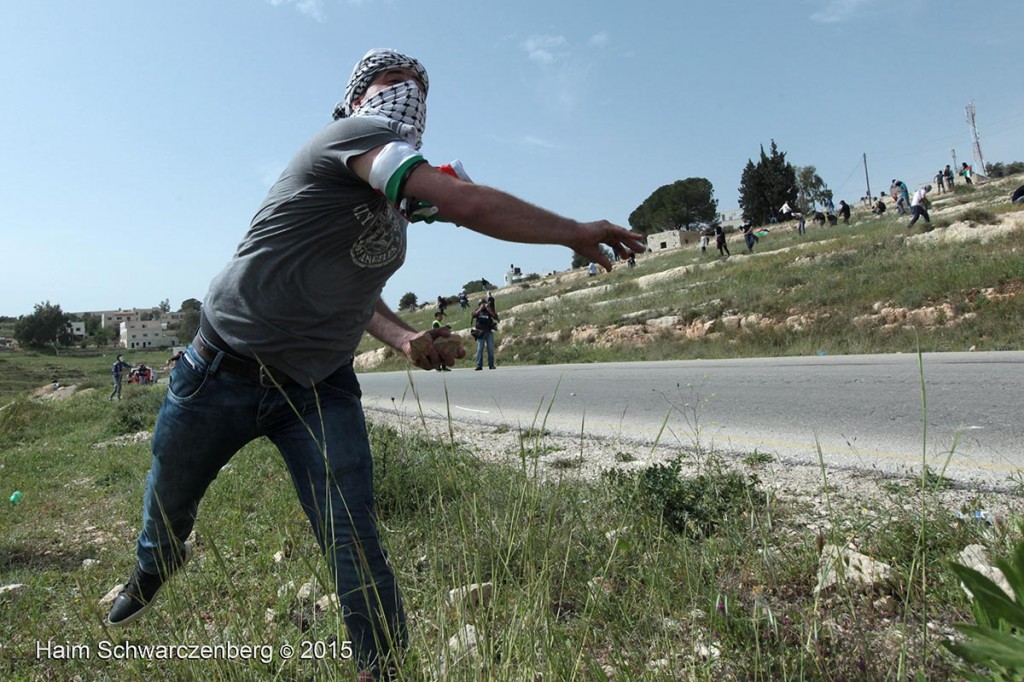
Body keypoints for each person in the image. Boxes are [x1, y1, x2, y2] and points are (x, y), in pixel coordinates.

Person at [105, 48, 646, 680]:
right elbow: (464, 203)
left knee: (353, 533)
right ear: (359, 94)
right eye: (394, 81)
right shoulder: (352, 137)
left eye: (420, 87)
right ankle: (153, 567)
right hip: (224, 367)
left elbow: (359, 292)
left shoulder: (397, 204)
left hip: (318, 385)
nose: (409, 93)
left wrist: (406, 339)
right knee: (169, 503)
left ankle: (380, 667)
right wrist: (570, 230)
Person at [471, 298, 499, 370]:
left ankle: (491, 365)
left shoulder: (489, 310)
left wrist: (489, 309)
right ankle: (479, 365)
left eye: (484, 303)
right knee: (480, 349)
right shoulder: (477, 310)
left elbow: (495, 317)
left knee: (490, 349)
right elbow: (473, 315)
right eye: (481, 304)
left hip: (488, 332)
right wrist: (480, 308)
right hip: (480, 332)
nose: (483, 305)